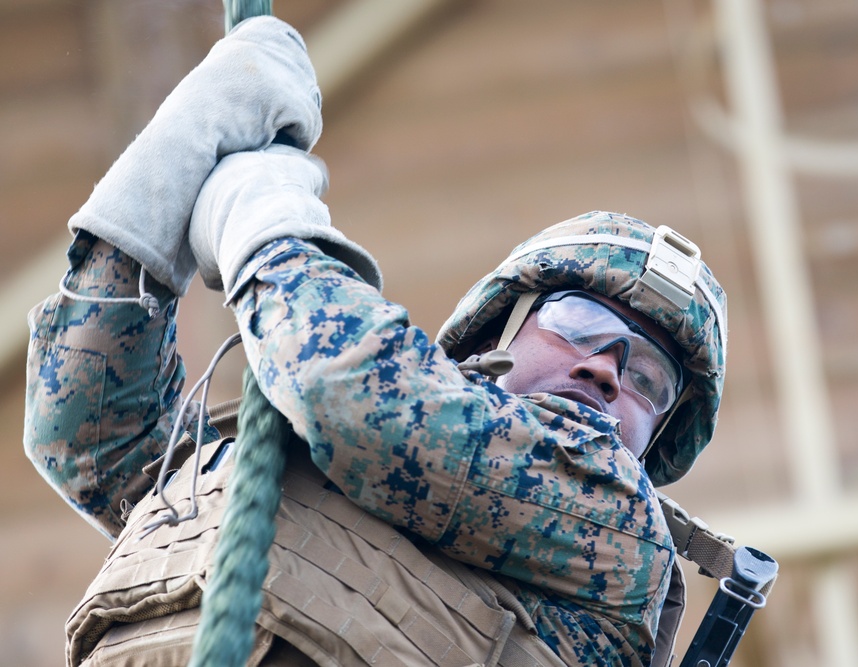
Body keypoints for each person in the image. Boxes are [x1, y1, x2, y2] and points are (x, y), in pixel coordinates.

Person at [23, 16, 727, 667]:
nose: (608, 369)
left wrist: (263, 225)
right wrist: (161, 180)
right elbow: (92, 441)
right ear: (501, 329)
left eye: (651, 381)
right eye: (579, 324)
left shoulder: (614, 530)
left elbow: (353, 396)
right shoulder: (295, 461)